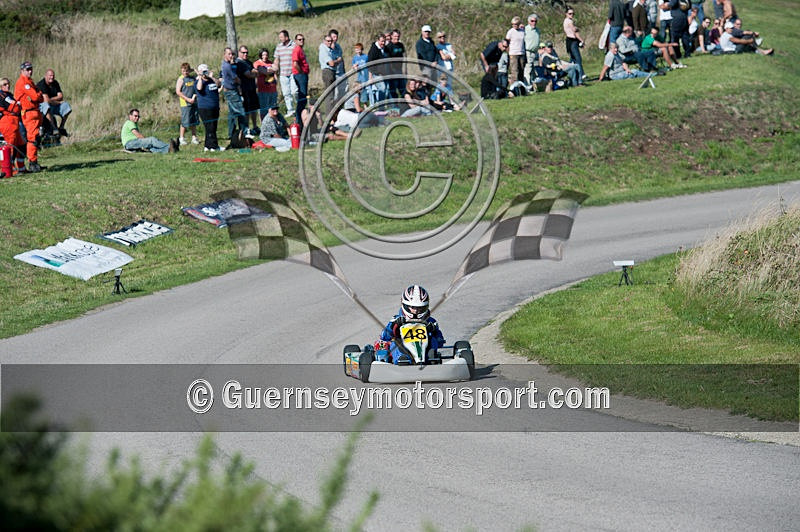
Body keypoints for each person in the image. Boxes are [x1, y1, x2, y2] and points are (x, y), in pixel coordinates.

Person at [378, 285, 445, 365]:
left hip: (426, 353)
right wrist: (394, 326)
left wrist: (433, 330)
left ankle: (431, 358)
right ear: (405, 305)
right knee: (395, 342)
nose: (416, 311)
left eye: (419, 308)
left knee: (432, 339)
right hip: (403, 349)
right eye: (413, 307)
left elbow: (440, 341)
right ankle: (402, 358)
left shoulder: (430, 321)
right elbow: (384, 336)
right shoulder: (396, 319)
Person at [14, 61, 43, 173]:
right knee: (32, 138)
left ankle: (34, 161)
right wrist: (37, 95)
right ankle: (32, 162)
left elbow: (39, 96)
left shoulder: (30, 81)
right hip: (29, 113)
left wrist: (37, 95)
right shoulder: (23, 82)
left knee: (36, 137)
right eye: (27, 69)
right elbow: (36, 96)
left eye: (31, 69)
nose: (30, 71)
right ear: (22, 71)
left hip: (35, 112)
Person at [0, 77, 26, 174]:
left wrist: (17, 105)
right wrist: (17, 104)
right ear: (1, 86)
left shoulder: (9, 95)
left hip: (14, 122)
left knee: (21, 145)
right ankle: (8, 169)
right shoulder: (1, 95)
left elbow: (18, 107)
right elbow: (14, 108)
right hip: (7, 123)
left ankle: (21, 168)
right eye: (5, 84)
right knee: (11, 147)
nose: (8, 86)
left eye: (8, 84)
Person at [194, 63, 223, 152]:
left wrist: (212, 77)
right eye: (203, 71)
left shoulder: (211, 80)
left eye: (206, 70)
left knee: (213, 127)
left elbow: (218, 84)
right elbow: (199, 88)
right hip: (205, 108)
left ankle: (208, 146)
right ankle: (214, 146)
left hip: (214, 107)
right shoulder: (198, 81)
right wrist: (200, 77)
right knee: (209, 127)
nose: (205, 73)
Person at [220, 47, 247, 139]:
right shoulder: (227, 66)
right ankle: (244, 131)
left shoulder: (227, 64)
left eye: (232, 54)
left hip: (229, 90)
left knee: (232, 113)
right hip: (231, 91)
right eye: (229, 54)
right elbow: (235, 78)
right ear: (224, 55)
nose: (231, 56)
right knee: (240, 110)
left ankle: (231, 133)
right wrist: (240, 82)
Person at [36, 69, 72, 138]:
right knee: (46, 106)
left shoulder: (55, 83)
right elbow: (46, 100)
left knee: (66, 106)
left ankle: (61, 127)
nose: (51, 77)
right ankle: (54, 128)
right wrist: (57, 101)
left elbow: (61, 96)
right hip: (43, 107)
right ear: (46, 76)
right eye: (50, 75)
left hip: (53, 105)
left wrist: (51, 100)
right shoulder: (41, 84)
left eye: (53, 76)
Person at [236, 45, 260, 135]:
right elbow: (248, 74)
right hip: (244, 89)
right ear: (239, 52)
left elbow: (255, 71)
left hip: (252, 88)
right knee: (246, 110)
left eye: (246, 52)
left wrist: (254, 73)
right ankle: (246, 128)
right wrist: (254, 74)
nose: (245, 54)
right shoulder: (239, 63)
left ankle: (255, 126)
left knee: (254, 108)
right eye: (243, 52)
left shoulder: (249, 62)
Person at [175, 62, 199, 146]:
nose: (185, 73)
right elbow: (178, 91)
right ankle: (181, 138)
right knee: (185, 121)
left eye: (187, 71)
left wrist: (195, 71)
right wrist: (187, 99)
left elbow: (199, 79)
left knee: (194, 120)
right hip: (185, 103)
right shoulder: (181, 79)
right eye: (183, 71)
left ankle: (194, 137)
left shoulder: (192, 78)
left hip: (194, 102)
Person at [275, 30, 296, 116]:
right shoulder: (279, 47)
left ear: (286, 37)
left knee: (295, 91)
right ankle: (290, 110)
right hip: (283, 74)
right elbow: (276, 59)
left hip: (292, 73)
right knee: (286, 93)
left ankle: (299, 108)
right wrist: (275, 69)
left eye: (281, 37)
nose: (280, 39)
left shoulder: (294, 46)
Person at [253, 48, 278, 120]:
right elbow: (264, 71)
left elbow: (276, 69)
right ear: (260, 55)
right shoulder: (257, 63)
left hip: (273, 89)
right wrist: (270, 70)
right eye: (263, 55)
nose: (265, 56)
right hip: (263, 89)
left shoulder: (270, 62)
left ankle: (273, 122)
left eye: (266, 55)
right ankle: (264, 123)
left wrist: (269, 70)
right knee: (264, 109)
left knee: (273, 108)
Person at [292, 33, 310, 127]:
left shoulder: (301, 50)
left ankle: (301, 119)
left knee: (303, 98)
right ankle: (299, 121)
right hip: (300, 75)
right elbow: (295, 64)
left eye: (302, 39)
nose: (301, 41)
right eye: (299, 39)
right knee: (302, 98)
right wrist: (301, 73)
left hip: (302, 74)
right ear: (296, 41)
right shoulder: (297, 50)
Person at [563, 7, 586, 81]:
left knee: (572, 59)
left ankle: (568, 73)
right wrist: (581, 41)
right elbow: (575, 32)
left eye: (572, 13)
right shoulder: (569, 21)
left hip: (570, 41)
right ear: (566, 14)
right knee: (577, 59)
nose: (571, 15)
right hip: (572, 41)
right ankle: (581, 74)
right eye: (570, 13)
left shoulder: (566, 21)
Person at [367, 33, 388, 104]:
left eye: (384, 41)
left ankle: (381, 105)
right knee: (382, 88)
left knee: (386, 89)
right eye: (382, 41)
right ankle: (380, 106)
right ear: (378, 40)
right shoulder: (373, 50)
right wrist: (370, 78)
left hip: (383, 73)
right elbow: (369, 64)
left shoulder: (384, 48)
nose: (383, 43)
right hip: (375, 73)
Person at [385, 29, 406, 99]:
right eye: (395, 36)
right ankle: (394, 104)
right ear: (391, 36)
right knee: (393, 89)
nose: (397, 38)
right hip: (392, 71)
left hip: (400, 69)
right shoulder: (388, 46)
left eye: (398, 36)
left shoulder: (401, 45)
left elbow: (404, 56)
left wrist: (405, 69)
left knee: (402, 88)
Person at [505, 16, 526, 85]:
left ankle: (521, 87)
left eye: (516, 24)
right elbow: (506, 43)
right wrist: (509, 53)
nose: (514, 26)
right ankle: (514, 87)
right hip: (513, 53)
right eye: (513, 24)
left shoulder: (522, 31)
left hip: (521, 53)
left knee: (521, 70)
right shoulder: (510, 32)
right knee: (514, 71)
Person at [523, 14, 541, 85]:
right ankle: (527, 86)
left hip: (535, 52)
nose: (534, 23)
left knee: (534, 70)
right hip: (528, 52)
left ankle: (534, 85)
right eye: (532, 21)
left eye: (535, 21)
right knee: (528, 69)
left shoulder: (537, 30)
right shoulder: (525, 29)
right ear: (528, 21)